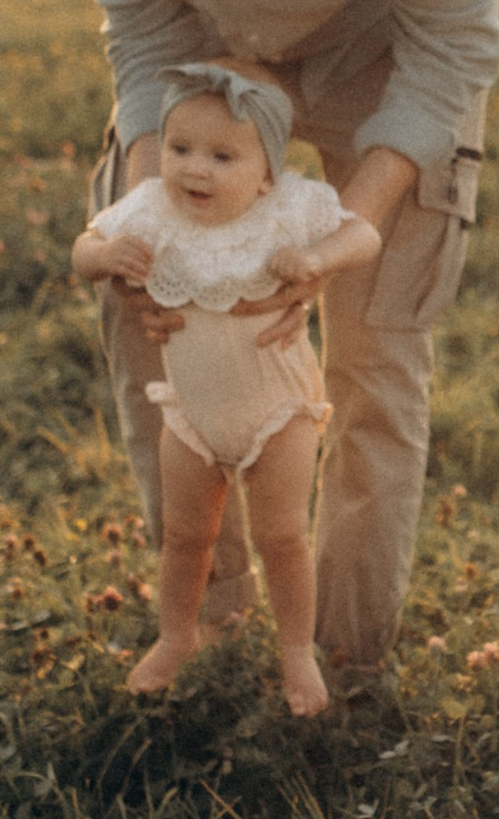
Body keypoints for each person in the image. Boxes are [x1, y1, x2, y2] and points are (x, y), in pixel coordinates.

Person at [39, 0, 499, 689]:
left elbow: (452, 40)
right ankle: (199, 629)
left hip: (390, 34)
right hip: (204, 49)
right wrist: (150, 223)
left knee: (372, 353)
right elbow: (149, 36)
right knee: (143, 311)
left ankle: (341, 667)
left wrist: (357, 223)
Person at [71, 62, 382, 714]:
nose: (194, 169)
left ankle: (297, 653)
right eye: (180, 148)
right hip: (191, 411)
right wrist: (106, 258)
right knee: (186, 534)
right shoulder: (155, 209)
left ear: (266, 169)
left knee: (281, 534)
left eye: (222, 155)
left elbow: (365, 232)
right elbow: (83, 249)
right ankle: (177, 634)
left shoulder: (286, 213)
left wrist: (319, 259)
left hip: (278, 411)